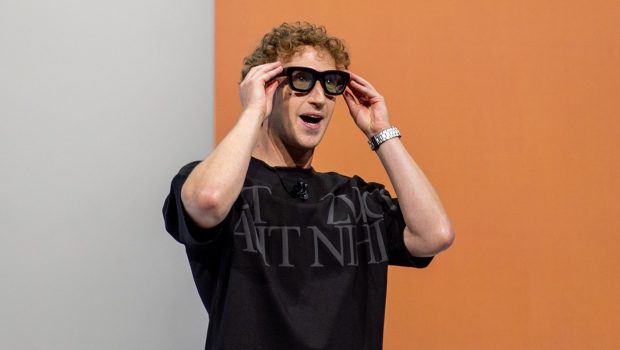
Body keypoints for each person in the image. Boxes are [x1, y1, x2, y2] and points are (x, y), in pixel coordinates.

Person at [163, 22, 454, 350]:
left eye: (331, 84)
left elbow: (434, 234)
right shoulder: (219, 186)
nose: (319, 98)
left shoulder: (355, 199)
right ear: (267, 85)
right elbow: (208, 200)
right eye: (302, 80)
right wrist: (254, 110)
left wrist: (380, 131)